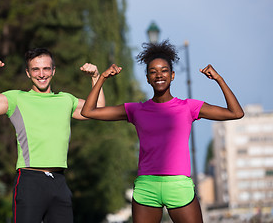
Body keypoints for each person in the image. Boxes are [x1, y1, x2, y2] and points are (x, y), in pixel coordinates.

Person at [81, 40, 244, 223]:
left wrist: (219, 79)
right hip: (146, 188)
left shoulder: (188, 107)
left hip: (179, 186)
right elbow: (88, 111)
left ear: (172, 75)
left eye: (164, 70)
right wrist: (101, 77)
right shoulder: (136, 109)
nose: (159, 75)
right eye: (153, 71)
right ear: (148, 78)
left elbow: (236, 113)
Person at [0, 48, 105, 223]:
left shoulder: (66, 100)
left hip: (59, 182)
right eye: (35, 69)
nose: (41, 74)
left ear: (53, 71)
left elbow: (99, 109)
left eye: (46, 69)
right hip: (30, 182)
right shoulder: (16, 98)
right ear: (28, 73)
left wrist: (96, 77)